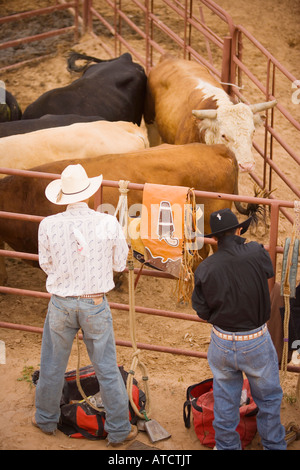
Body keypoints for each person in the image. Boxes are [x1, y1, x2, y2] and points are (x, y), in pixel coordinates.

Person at [32, 163, 137, 446]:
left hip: (62, 303)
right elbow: (118, 263)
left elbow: (46, 264)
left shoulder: (48, 225)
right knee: (105, 366)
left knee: (52, 363)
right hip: (95, 304)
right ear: (89, 194)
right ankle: (118, 430)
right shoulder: (107, 222)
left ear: (64, 196)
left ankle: (45, 419)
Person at [192, 208, 286, 450]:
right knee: (269, 398)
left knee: (225, 399)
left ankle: (226, 447)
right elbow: (269, 271)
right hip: (255, 339)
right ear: (239, 230)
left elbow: (201, 310)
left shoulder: (204, 268)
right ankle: (274, 446)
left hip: (221, 340)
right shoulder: (255, 251)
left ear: (215, 238)